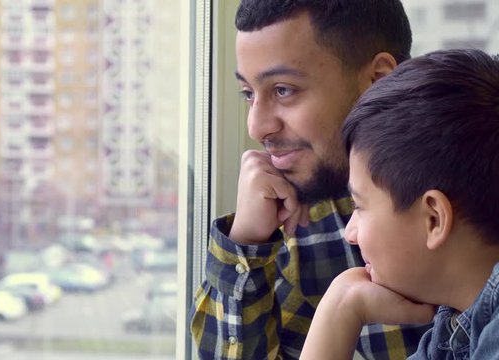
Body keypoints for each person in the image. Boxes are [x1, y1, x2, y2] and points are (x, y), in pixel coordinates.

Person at [190, 0, 432, 359]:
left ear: (378, 80)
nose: (256, 127)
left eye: (283, 90)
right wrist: (247, 241)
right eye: (248, 94)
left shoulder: (479, 185)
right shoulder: (296, 222)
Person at [300, 48, 499, 359]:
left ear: (433, 219)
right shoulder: (456, 328)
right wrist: (342, 305)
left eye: (360, 206)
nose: (349, 233)